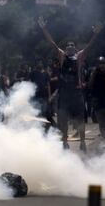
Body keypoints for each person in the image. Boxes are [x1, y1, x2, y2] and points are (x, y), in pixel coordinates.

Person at [38, 16, 103, 151]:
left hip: (76, 93)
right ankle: (64, 141)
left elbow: (90, 46)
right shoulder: (62, 56)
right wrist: (44, 28)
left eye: (72, 45)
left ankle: (83, 141)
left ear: (75, 48)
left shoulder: (79, 56)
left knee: (80, 120)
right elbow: (52, 43)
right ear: (66, 48)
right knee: (62, 120)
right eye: (68, 45)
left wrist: (96, 33)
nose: (70, 47)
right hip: (64, 94)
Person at [29, 61, 55, 131]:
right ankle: (38, 129)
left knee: (46, 113)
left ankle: (53, 129)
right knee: (36, 113)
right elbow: (30, 84)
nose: (39, 64)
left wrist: (49, 96)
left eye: (40, 63)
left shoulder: (46, 73)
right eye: (38, 63)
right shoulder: (32, 73)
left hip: (44, 96)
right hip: (35, 96)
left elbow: (48, 85)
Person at [89, 56, 105, 140]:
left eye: (103, 63)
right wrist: (93, 74)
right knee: (101, 123)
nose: (102, 66)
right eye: (100, 64)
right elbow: (90, 85)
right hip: (98, 103)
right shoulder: (95, 74)